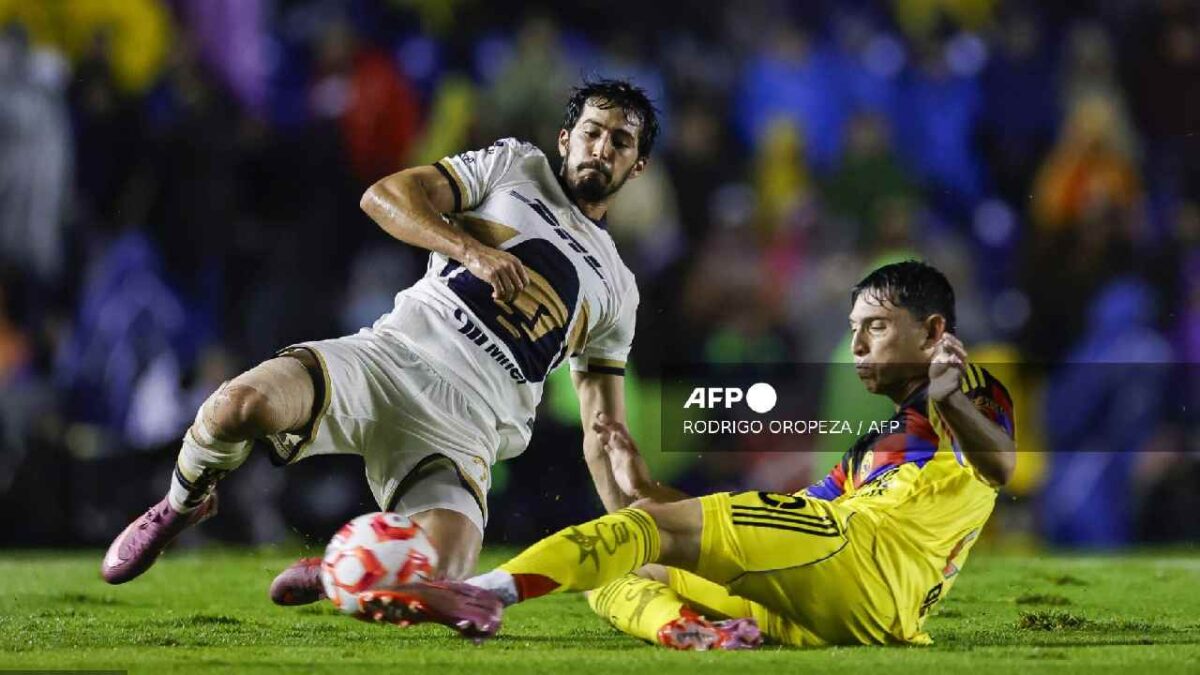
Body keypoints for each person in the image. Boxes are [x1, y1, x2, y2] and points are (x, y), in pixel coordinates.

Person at [101, 79, 658, 605]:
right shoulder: (514, 164)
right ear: (567, 137)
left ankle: (346, 565)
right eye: (592, 131)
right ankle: (180, 507)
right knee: (236, 408)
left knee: (445, 572)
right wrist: (473, 252)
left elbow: (604, 432)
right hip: (388, 359)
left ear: (638, 166)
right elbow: (385, 195)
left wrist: (638, 537)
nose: (601, 147)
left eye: (620, 141)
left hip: (466, 429)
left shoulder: (618, 288)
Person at [351, 261, 1018, 650]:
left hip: (867, 560)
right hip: (845, 604)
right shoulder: (874, 449)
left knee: (642, 534)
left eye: (874, 326)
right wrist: (646, 488)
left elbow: (1002, 466)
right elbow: (784, 522)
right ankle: (694, 633)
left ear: (932, 330)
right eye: (852, 331)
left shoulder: (966, 392)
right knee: (620, 572)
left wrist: (952, 398)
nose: (858, 346)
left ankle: (478, 591)